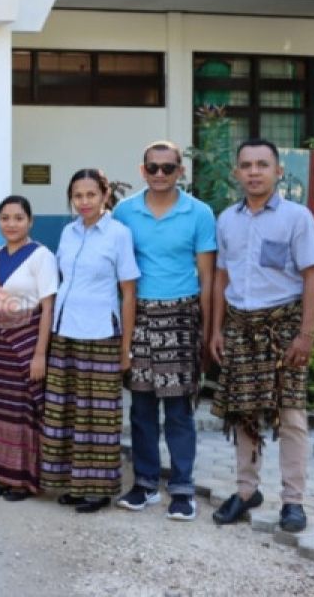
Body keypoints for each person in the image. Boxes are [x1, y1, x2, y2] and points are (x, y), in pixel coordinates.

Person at [210, 138, 314, 533]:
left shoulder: (297, 218)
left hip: (284, 329)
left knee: (291, 417)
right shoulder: (227, 219)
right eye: (246, 165)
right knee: (243, 414)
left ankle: (293, 501)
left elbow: (312, 277)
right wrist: (216, 330)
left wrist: (305, 335)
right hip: (240, 328)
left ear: (278, 171)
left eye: (262, 164)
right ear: (236, 173)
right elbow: (221, 276)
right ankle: (245, 492)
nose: (254, 172)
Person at [112, 141, 216, 521]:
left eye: (168, 168)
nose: (160, 175)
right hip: (138, 316)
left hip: (181, 315)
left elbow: (207, 277)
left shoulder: (199, 213)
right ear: (142, 171)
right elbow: (118, 273)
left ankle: (183, 487)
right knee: (140, 408)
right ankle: (144, 483)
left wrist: (204, 331)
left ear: (180, 172)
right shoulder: (125, 213)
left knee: (178, 409)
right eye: (152, 168)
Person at [41, 168, 139, 514]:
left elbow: (129, 294)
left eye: (90, 195)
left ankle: (97, 489)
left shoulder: (118, 234)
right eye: (77, 196)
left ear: (104, 194)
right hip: (65, 332)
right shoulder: (68, 233)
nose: (84, 202)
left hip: (101, 333)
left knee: (98, 415)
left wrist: (125, 346)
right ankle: (72, 483)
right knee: (66, 411)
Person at [0, 196, 58, 501]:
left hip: (26, 343)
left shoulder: (42, 256)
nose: (11, 224)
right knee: (1, 412)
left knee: (25, 412)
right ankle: (4, 475)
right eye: (5, 218)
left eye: (18, 218)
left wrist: (40, 353)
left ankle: (24, 480)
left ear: (30, 221)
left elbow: (48, 307)